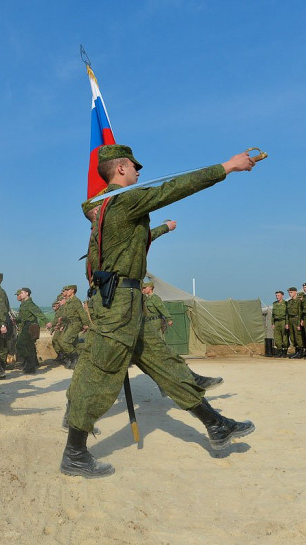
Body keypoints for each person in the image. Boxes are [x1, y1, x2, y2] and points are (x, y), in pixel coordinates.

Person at [62, 144, 256, 478]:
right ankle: (75, 453)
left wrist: (162, 228)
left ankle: (216, 424)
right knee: (101, 373)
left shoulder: (107, 206)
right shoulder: (123, 200)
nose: (139, 172)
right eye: (134, 167)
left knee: (165, 365)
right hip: (119, 304)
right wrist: (227, 166)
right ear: (120, 168)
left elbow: (124, 232)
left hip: (127, 302)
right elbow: (174, 188)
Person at [53, 285, 89, 370]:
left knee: (64, 342)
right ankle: (71, 358)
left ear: (73, 290)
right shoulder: (69, 301)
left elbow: (82, 313)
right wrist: (61, 322)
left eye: (67, 290)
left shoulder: (76, 301)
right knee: (62, 341)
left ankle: (75, 358)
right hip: (69, 324)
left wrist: (86, 324)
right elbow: (68, 315)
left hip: (75, 324)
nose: (66, 291)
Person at [14, 287, 47, 374]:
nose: (20, 294)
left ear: (27, 293)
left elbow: (39, 313)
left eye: (22, 293)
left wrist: (47, 322)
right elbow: (21, 317)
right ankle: (30, 365)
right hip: (25, 326)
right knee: (29, 347)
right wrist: (15, 320)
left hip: (30, 327)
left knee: (20, 344)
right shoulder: (23, 304)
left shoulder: (30, 304)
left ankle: (29, 363)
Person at [271, 291, 287, 357]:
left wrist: (287, 323)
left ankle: (284, 351)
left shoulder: (286, 303)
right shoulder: (274, 304)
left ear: (282, 296)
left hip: (283, 321)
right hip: (276, 322)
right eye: (276, 295)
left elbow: (287, 314)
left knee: (284, 337)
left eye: (278, 295)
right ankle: (279, 350)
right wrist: (272, 323)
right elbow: (273, 315)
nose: (277, 297)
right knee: (277, 337)